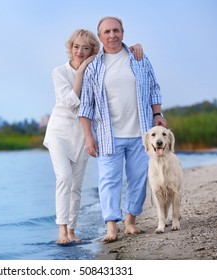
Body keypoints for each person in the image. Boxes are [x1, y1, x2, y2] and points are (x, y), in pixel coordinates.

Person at [44, 28, 144, 244]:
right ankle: (61, 231)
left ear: (92, 50)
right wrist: (79, 73)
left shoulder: (96, 70)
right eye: (76, 47)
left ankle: (71, 230)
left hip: (81, 134)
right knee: (64, 178)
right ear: (70, 48)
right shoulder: (60, 72)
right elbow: (71, 102)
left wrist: (136, 47)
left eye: (85, 48)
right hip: (59, 132)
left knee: (76, 186)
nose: (79, 51)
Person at [78, 16, 168, 243]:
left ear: (123, 32)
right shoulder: (93, 66)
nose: (112, 35)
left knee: (138, 179)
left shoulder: (139, 58)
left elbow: (154, 89)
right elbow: (86, 105)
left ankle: (130, 222)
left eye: (116, 30)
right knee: (108, 180)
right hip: (108, 135)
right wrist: (88, 136)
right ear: (100, 36)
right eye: (107, 32)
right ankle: (111, 227)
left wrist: (158, 114)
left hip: (142, 133)